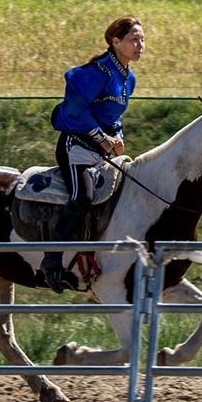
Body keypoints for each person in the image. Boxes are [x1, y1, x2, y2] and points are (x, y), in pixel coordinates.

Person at [39, 15, 146, 293]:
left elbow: (113, 117)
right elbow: (74, 111)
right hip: (75, 148)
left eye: (142, 39)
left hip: (101, 152)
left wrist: (118, 137)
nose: (140, 45)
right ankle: (51, 262)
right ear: (116, 41)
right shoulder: (95, 72)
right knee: (82, 197)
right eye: (134, 39)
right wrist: (103, 138)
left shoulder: (128, 78)